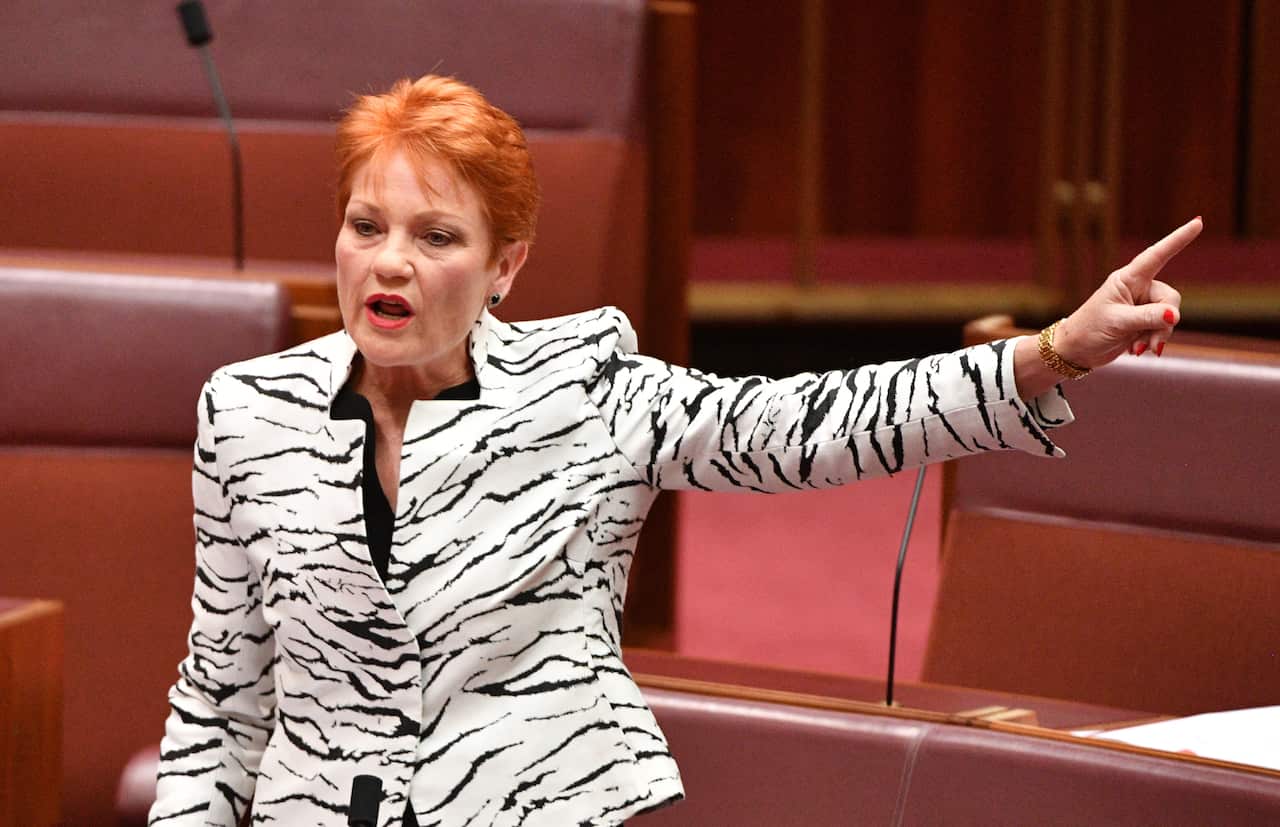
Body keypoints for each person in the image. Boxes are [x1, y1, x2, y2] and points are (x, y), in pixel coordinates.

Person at [149, 74, 1200, 826]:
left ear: (504, 264)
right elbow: (219, 695)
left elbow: (807, 425)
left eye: (436, 236)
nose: (389, 261)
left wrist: (1054, 350)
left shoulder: (587, 392)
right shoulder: (249, 410)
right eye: (366, 224)